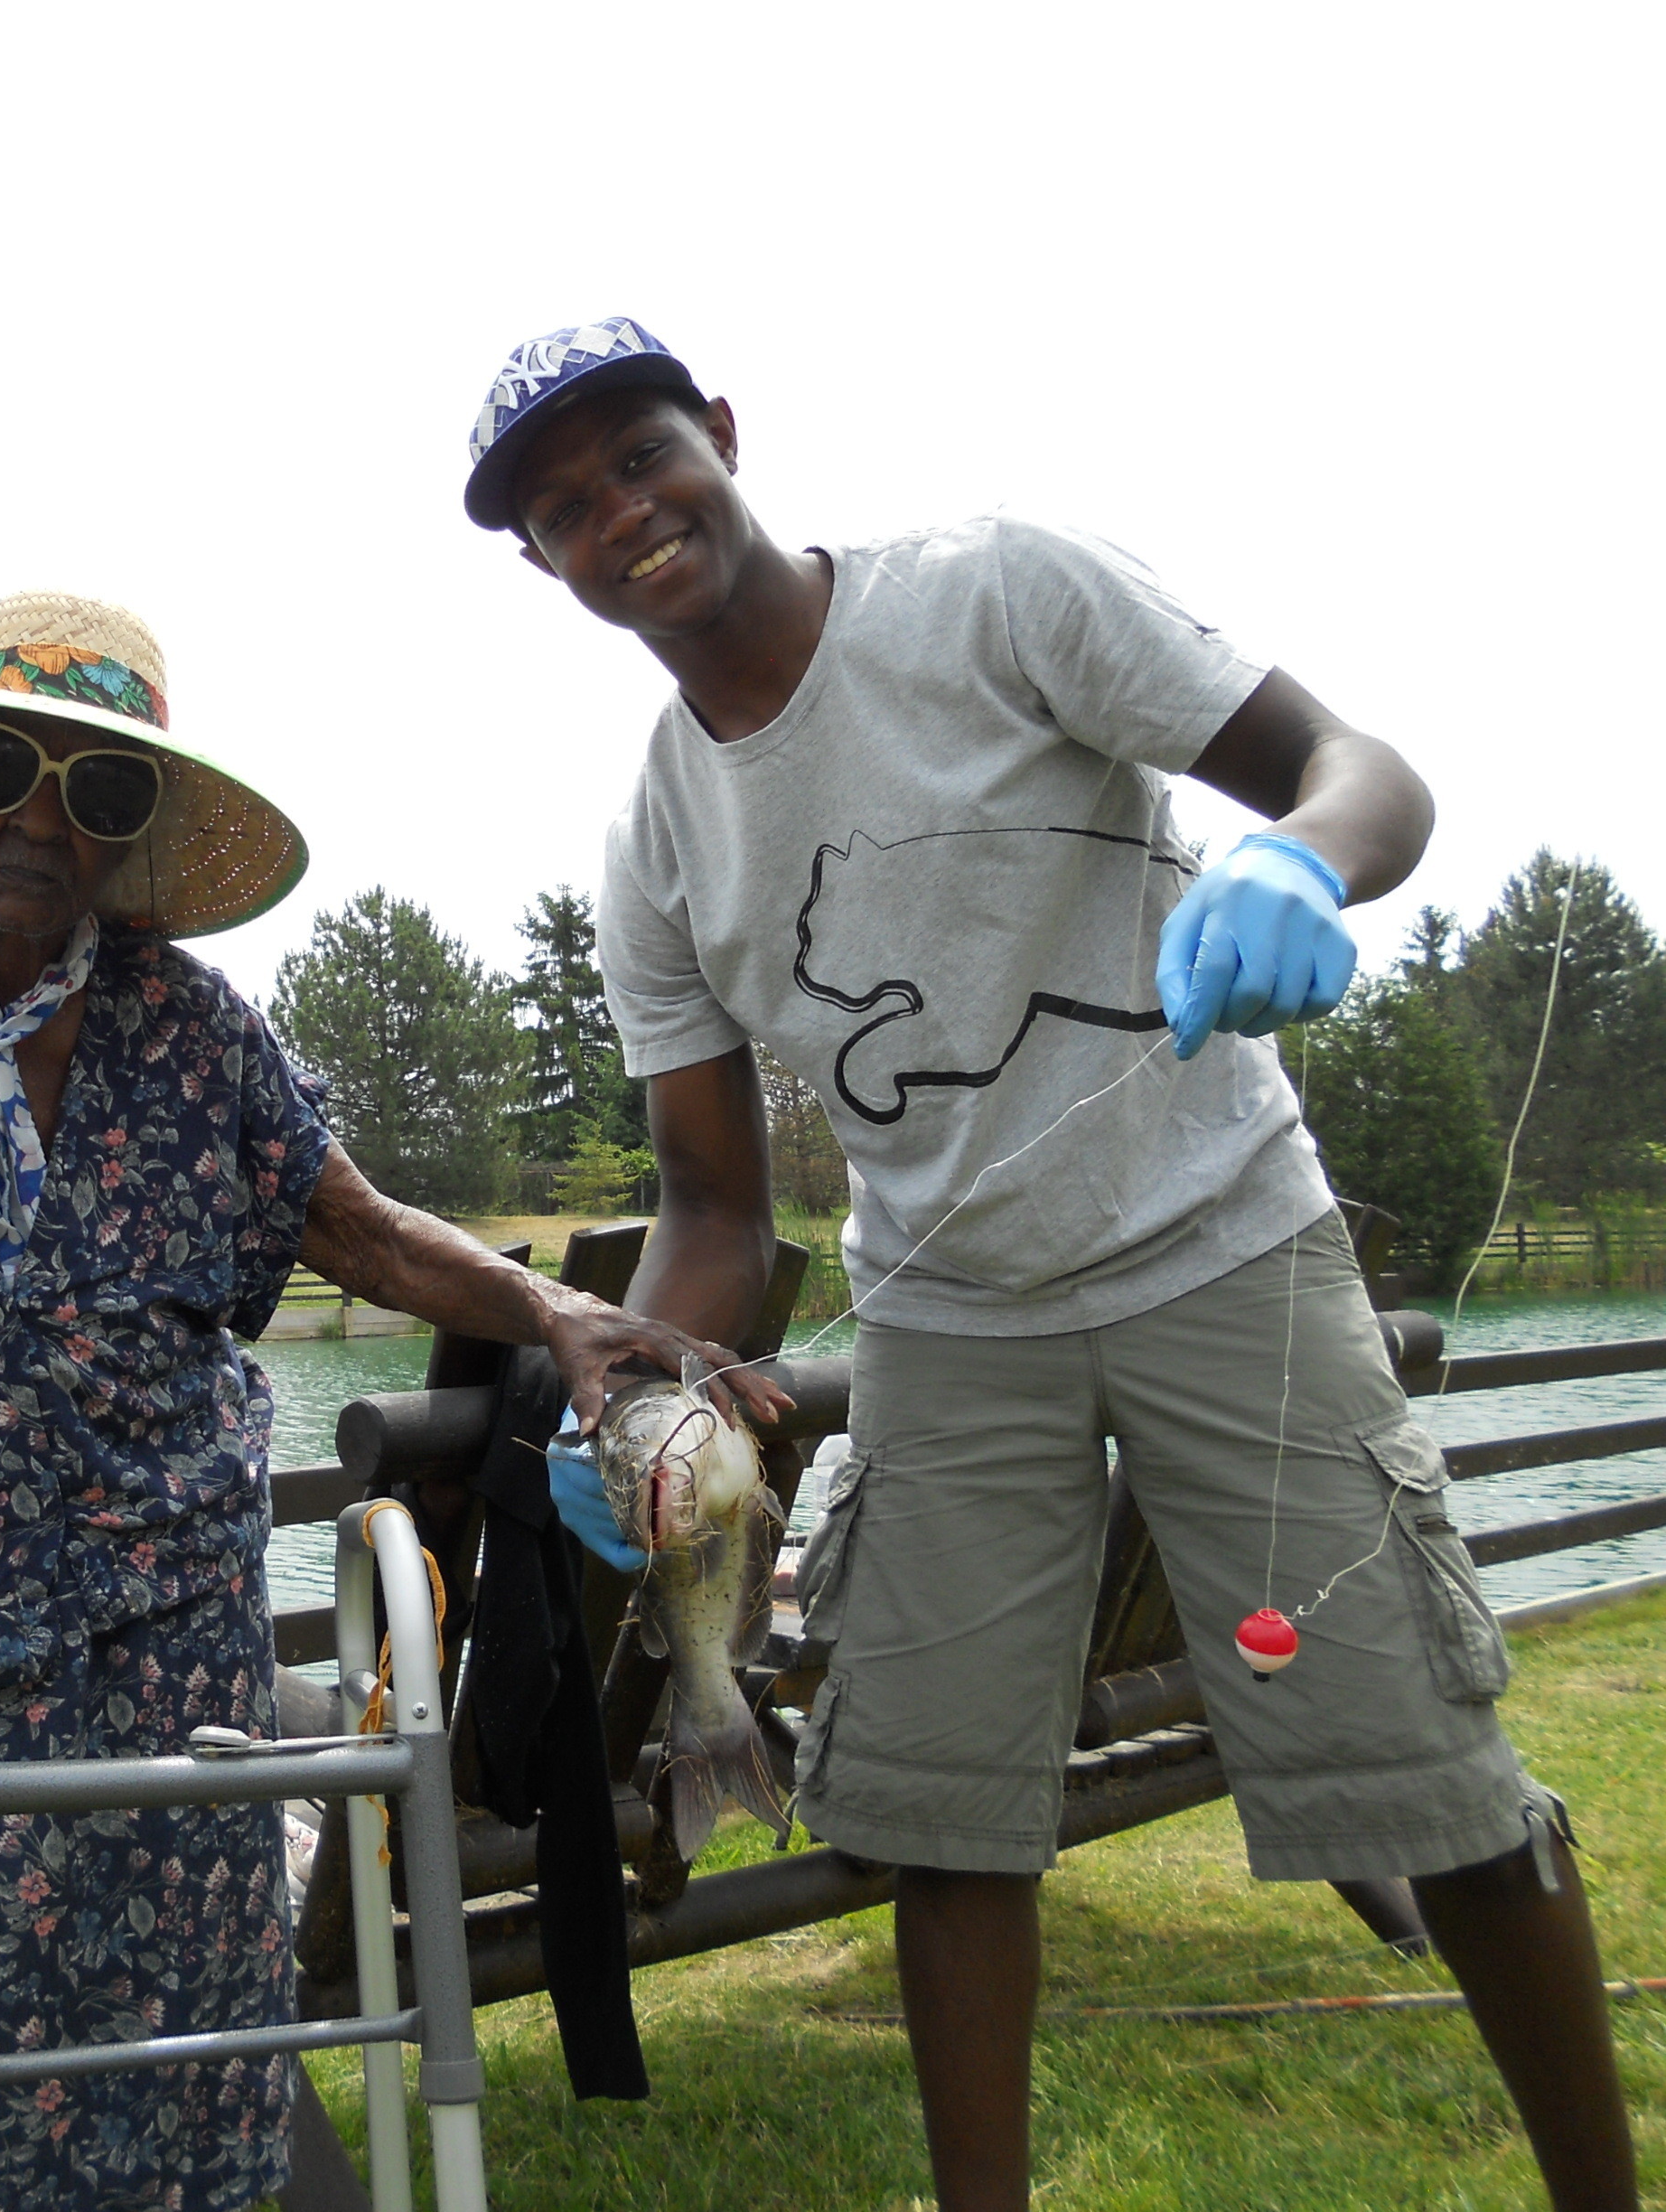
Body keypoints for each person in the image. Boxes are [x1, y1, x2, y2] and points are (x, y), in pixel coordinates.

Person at [464, 321, 1637, 2211]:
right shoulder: (659, 840)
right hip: (946, 1318)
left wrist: (1303, 866)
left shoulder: (997, 597)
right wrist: (638, 1398)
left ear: (726, 437)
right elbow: (714, 1204)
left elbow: (1360, 769)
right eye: (564, 507)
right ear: (543, 565)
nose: (620, 514)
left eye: (639, 458)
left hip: (1224, 1245)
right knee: (942, 1820)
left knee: (1429, 1776)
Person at [0, 590, 780, 2212]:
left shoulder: (191, 1029)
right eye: (2, 767)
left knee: (178, 2124)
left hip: (156, 1700)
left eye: (100, 794)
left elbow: (361, 1229)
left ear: (132, 842)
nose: (42, 824)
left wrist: (561, 1314)